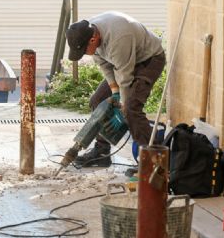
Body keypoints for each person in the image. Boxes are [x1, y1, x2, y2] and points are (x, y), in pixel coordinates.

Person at [66, 11, 166, 167]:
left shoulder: (119, 38)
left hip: (149, 61)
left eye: (84, 51)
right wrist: (114, 92)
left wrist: (123, 104)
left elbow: (125, 78)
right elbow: (105, 65)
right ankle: (102, 153)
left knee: (131, 108)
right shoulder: (87, 32)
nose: (85, 54)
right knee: (98, 100)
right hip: (123, 61)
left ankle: (153, 162)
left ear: (93, 39)